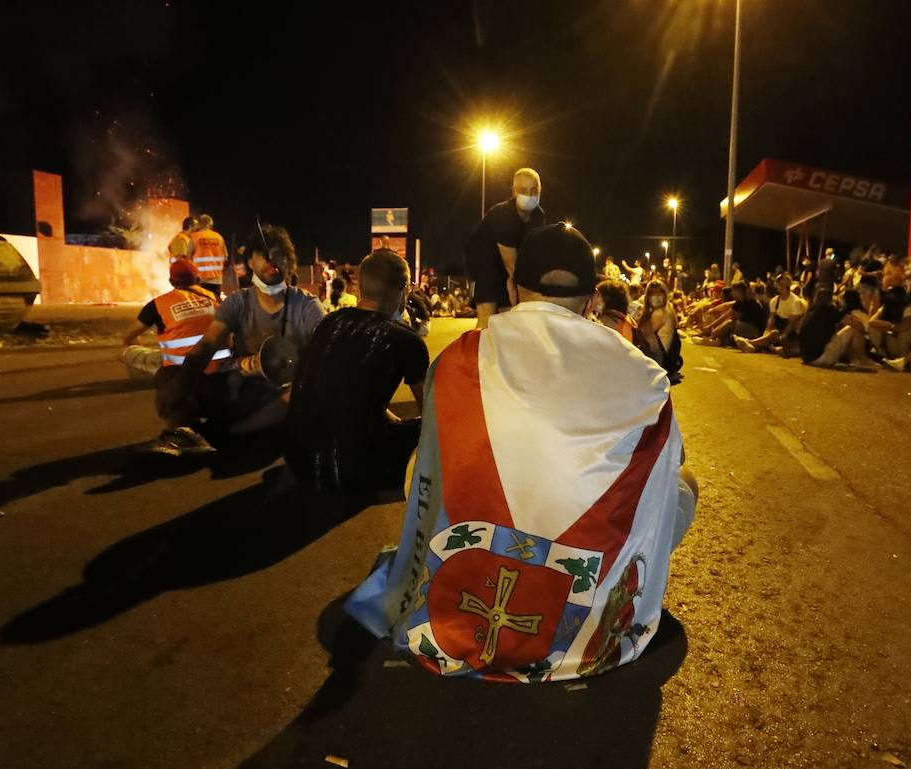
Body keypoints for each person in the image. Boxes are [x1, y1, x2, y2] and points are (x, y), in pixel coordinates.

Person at [343, 223, 697, 682]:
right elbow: (675, 459)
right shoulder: (644, 375)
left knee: (423, 463)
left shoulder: (457, 359)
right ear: (592, 301)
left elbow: (430, 468)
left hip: (472, 548)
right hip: (583, 572)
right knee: (683, 485)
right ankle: (605, 598)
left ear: (512, 287)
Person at [148, 223, 325, 456]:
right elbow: (206, 346)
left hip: (275, 396)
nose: (272, 262)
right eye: (265, 256)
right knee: (170, 375)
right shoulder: (238, 302)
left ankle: (218, 435)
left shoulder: (307, 306)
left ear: (289, 264)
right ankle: (184, 432)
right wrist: (179, 384)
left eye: (280, 256)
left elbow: (326, 357)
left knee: (297, 397)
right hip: (236, 387)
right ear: (250, 262)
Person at [286, 249, 429, 499]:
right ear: (405, 290)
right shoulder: (406, 340)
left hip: (301, 464)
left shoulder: (328, 324)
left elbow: (346, 389)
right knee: (433, 432)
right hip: (354, 472)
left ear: (359, 287)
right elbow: (431, 413)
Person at [120, 258, 231, 382]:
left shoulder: (158, 304)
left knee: (128, 351)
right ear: (198, 279)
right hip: (219, 370)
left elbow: (128, 336)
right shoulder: (216, 299)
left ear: (171, 282)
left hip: (179, 374)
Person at [464, 167, 545, 327]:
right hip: (484, 264)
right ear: (514, 191)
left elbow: (532, 253)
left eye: (533, 190)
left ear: (540, 190)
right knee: (487, 322)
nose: (529, 195)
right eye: (523, 190)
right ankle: (479, 347)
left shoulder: (538, 216)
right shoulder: (503, 215)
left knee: (509, 320)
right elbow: (511, 264)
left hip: (509, 266)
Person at [635, 280, 682, 383]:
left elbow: (641, 334)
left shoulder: (659, 313)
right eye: (653, 294)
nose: (656, 297)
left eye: (659, 294)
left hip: (658, 360)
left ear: (665, 295)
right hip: (665, 358)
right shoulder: (668, 307)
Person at [796, 287, 844, 365]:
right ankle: (860, 360)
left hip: (805, 357)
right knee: (850, 330)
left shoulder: (810, 310)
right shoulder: (829, 310)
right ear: (830, 299)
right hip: (820, 358)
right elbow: (849, 322)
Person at [190, 214, 229, 297]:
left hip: (200, 279)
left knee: (202, 305)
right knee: (215, 304)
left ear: (199, 224)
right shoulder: (219, 237)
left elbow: (187, 257)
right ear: (210, 224)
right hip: (216, 279)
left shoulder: (194, 237)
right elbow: (225, 258)